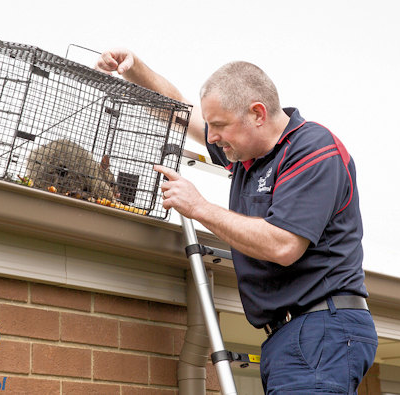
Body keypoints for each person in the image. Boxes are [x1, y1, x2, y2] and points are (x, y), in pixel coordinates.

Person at [95, 49, 378, 394]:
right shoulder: (247, 156)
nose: (211, 137)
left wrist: (199, 207)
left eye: (219, 125)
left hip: (321, 327)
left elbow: (284, 244)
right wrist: (135, 70)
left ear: (257, 113)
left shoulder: (312, 149)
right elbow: (179, 111)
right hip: (291, 335)